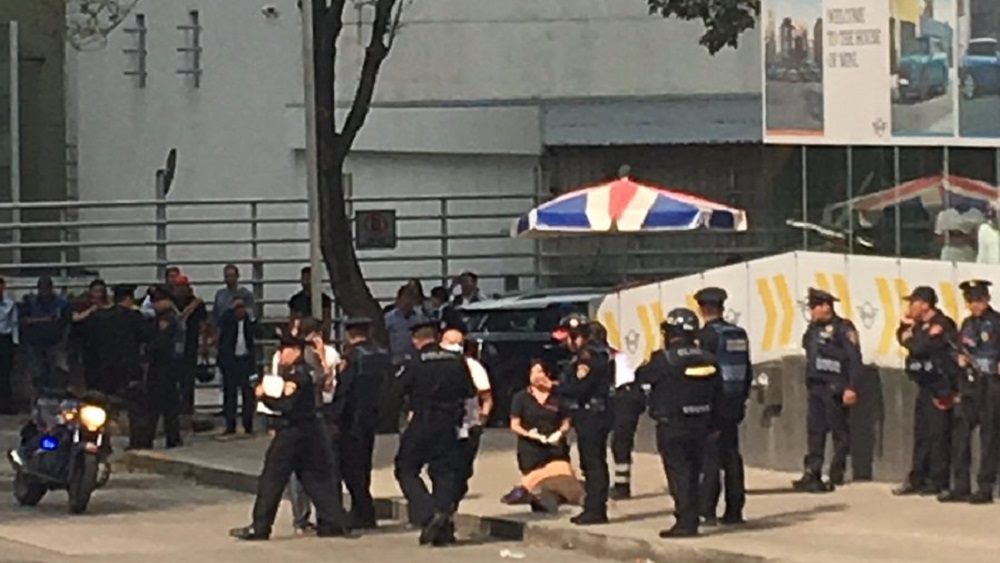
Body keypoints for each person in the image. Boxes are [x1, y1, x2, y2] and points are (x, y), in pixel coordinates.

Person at [229, 335, 352, 541]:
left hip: (293, 432)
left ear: (295, 351)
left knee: (272, 478)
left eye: (284, 350)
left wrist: (263, 396)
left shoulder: (297, 376)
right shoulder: (302, 373)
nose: (281, 354)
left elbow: (287, 406)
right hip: (311, 432)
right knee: (314, 478)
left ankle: (260, 526)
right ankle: (333, 521)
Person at [637, 308, 723, 539]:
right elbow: (718, 394)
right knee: (696, 473)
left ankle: (686, 522)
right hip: (703, 424)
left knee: (679, 475)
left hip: (673, 425)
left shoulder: (663, 358)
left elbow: (641, 376)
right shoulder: (709, 358)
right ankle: (698, 515)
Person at [393, 320, 476, 546]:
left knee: (406, 468)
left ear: (416, 339)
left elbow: (396, 391)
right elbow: (469, 391)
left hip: (423, 420)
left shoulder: (414, 362)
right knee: (444, 473)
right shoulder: (457, 361)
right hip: (449, 422)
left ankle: (429, 513)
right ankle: (444, 527)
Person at [791, 288, 862, 494]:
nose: (813, 312)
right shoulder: (813, 328)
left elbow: (855, 359)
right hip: (816, 386)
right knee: (815, 431)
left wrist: (851, 387)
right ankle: (812, 471)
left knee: (839, 431)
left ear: (825, 307)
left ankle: (835, 474)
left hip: (835, 387)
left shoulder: (843, 328)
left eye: (815, 307)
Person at [893, 286, 958, 497]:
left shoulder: (942, 324)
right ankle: (917, 477)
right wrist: (906, 329)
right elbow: (902, 337)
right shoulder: (919, 325)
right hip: (924, 384)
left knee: (938, 435)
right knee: (921, 434)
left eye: (913, 302)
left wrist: (909, 338)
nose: (909, 307)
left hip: (941, 386)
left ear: (925, 304)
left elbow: (920, 347)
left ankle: (937, 481)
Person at [694, 287, 752, 524]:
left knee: (709, 459)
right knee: (731, 457)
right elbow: (747, 370)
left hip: (713, 404)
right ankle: (735, 510)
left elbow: (703, 373)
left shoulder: (706, 336)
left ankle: (706, 510)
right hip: (734, 401)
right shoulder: (738, 333)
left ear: (701, 308)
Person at [329, 317, 391, 530]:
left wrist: (334, 418)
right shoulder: (382, 354)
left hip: (352, 419)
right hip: (372, 417)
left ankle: (363, 512)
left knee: (349, 467)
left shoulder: (353, 357)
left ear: (350, 334)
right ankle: (362, 512)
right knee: (363, 465)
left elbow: (345, 391)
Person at [554, 314, 612, 526]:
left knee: (593, 463)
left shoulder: (588, 357)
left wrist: (553, 387)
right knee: (593, 462)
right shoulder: (593, 354)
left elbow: (579, 387)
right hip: (592, 413)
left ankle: (595, 509)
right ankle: (595, 506)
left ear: (576, 337)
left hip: (592, 414)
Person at [285, 317, 342, 534]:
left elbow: (327, 385)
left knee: (317, 466)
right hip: (304, 414)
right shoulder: (298, 355)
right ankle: (304, 516)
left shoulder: (322, 353)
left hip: (317, 413)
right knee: (305, 468)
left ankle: (320, 516)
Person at [503, 359, 577, 513]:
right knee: (545, 477)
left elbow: (566, 421)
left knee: (561, 472)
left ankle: (524, 490)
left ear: (547, 374)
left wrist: (560, 433)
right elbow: (515, 425)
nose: (536, 376)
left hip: (555, 447)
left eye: (540, 372)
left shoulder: (558, 396)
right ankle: (533, 493)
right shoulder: (521, 397)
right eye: (533, 372)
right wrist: (530, 435)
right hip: (531, 449)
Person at [440, 321, 493, 519]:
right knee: (444, 471)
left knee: (462, 473)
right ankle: (444, 510)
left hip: (469, 426)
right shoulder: (437, 366)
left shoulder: (472, 366)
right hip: (444, 426)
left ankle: (449, 507)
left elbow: (486, 397)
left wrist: (481, 420)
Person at [954, 280, 1000, 504]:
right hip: (970, 385)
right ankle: (961, 485)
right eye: (970, 301)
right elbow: (961, 348)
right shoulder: (967, 324)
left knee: (989, 438)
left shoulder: (997, 323)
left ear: (987, 300)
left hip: (991, 385)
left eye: (978, 300)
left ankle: (985, 487)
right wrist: (960, 359)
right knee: (961, 433)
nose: (974, 305)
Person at [597, 321, 642, 501]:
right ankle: (621, 483)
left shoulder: (603, 356)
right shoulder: (618, 353)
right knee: (622, 442)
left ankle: (622, 486)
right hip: (630, 397)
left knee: (620, 443)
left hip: (623, 398)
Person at [137, 287, 185, 449]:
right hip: (157, 368)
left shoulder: (173, 320)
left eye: (158, 300)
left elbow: (170, 346)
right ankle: (151, 438)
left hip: (169, 367)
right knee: (153, 407)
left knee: (168, 407)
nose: (155, 304)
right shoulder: (154, 320)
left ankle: (172, 438)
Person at [381, 287, 429, 433]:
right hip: (396, 362)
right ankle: (391, 424)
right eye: (405, 299)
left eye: (411, 299)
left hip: (415, 362)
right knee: (395, 395)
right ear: (398, 299)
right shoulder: (389, 318)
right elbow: (383, 339)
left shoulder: (420, 318)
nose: (408, 303)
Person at [216, 296, 258, 435]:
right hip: (231, 361)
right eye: (236, 308)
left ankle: (248, 425)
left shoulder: (249, 322)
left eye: (242, 307)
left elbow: (259, 332)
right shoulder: (228, 321)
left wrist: (252, 319)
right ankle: (230, 425)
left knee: (248, 394)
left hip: (246, 361)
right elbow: (220, 331)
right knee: (230, 394)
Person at [19, 276, 68, 392]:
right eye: (42, 288)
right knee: (37, 374)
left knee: (56, 374)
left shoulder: (61, 303)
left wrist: (63, 341)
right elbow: (23, 321)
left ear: (51, 288)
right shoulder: (30, 303)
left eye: (46, 288)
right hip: (35, 343)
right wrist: (44, 320)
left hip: (55, 343)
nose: (44, 291)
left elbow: (67, 323)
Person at [173, 275, 208, 416]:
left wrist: (204, 344)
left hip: (190, 345)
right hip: (174, 346)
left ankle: (187, 409)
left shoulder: (197, 304)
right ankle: (176, 409)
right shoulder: (173, 302)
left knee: (188, 380)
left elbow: (203, 325)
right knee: (174, 379)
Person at [70, 279, 111, 391]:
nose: (98, 294)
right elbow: (75, 318)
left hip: (105, 347)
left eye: (100, 291)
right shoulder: (83, 305)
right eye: (95, 291)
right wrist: (91, 310)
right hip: (88, 345)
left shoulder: (108, 307)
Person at [288, 266, 332, 332]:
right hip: (300, 337)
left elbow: (327, 321)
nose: (306, 282)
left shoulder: (324, 299)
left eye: (308, 278)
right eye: (304, 278)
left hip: (317, 336)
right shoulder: (295, 300)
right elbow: (292, 320)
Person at [0, 277, 19, 414]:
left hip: (4, 339)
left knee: (5, 375)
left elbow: (14, 324)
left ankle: (6, 406)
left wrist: (15, 342)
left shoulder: (10, 304)